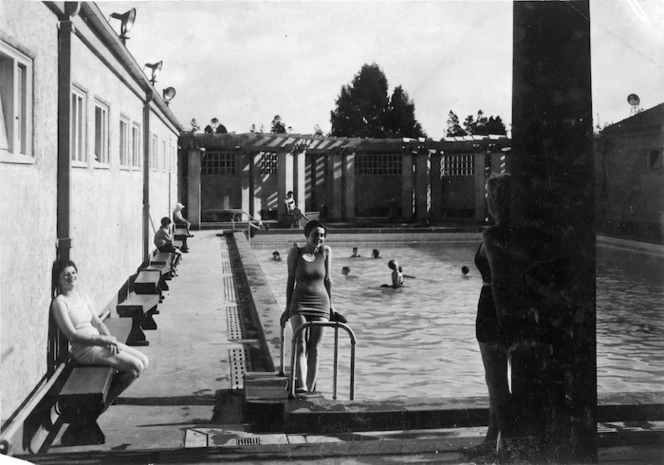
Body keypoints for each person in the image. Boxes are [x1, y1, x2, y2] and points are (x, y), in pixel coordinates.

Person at [464, 173, 516, 459]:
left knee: (496, 383)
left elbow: (497, 281)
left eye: (488, 194)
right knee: (501, 382)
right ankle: (493, 441)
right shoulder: (518, 232)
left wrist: (503, 319)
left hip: (492, 310)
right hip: (511, 310)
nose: (485, 199)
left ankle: (507, 449)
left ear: (497, 200)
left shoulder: (492, 235)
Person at [50, 259, 149, 409]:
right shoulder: (60, 303)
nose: (71, 277)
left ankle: (106, 395)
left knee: (144, 360)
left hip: (100, 343)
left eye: (73, 273)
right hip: (84, 349)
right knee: (135, 367)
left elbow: (98, 323)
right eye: (65, 275)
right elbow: (72, 335)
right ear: (58, 279)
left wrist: (111, 341)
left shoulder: (82, 296)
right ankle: (102, 405)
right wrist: (102, 340)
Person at [280, 220, 332, 395]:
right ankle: (301, 386)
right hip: (299, 302)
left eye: (322, 235)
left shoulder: (326, 252)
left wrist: (331, 307)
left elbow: (328, 280)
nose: (319, 238)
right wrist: (287, 307)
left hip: (321, 303)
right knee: (300, 344)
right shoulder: (295, 253)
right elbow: (289, 281)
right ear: (307, 235)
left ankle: (310, 389)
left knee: (315, 347)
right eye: (316, 235)